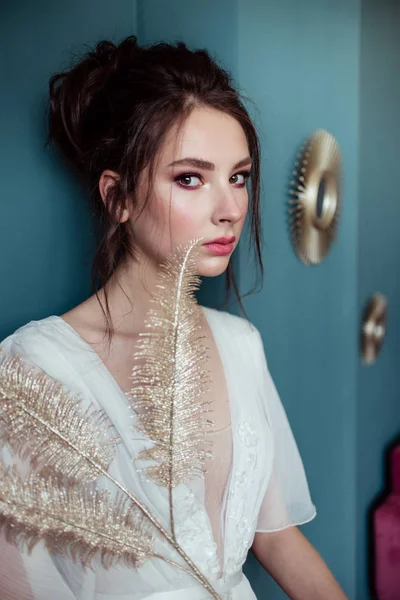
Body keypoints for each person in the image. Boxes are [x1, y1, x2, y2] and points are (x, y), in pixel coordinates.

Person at [0, 36, 347, 600]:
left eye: (238, 176)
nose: (231, 208)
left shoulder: (240, 344)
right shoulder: (32, 371)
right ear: (118, 198)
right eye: (190, 178)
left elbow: (278, 538)